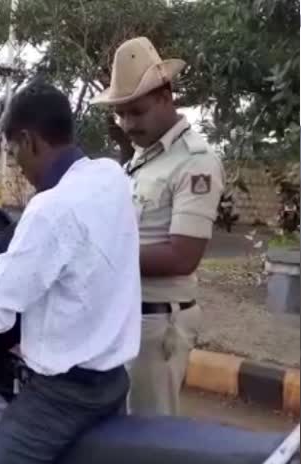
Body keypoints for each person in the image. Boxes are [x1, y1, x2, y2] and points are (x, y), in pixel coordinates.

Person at [0, 82, 141, 464]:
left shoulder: (51, 209)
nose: (17, 164)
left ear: (29, 140)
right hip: (114, 382)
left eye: (15, 151)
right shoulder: (111, 177)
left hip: (60, 399)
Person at [92, 37, 224, 416]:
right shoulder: (141, 160)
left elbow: (183, 256)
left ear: (166, 97)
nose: (128, 123)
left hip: (157, 322)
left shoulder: (195, 163)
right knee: (122, 436)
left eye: (137, 111)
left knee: (148, 442)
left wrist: (102, 258)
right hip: (128, 315)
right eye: (120, 114)